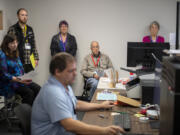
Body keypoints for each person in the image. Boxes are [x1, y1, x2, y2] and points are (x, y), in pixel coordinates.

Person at [31, 52, 124, 135]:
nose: (75, 74)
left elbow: (76, 104)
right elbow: (69, 126)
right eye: (71, 71)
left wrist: (100, 105)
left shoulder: (64, 85)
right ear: (57, 72)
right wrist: (104, 131)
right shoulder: (53, 92)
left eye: (75, 70)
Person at [0, 34, 40, 106]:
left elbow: (21, 69)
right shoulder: (2, 55)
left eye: (16, 42)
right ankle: (26, 114)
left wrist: (26, 77)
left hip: (20, 80)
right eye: (12, 43)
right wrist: (19, 80)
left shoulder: (15, 53)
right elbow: (4, 75)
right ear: (6, 44)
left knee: (38, 88)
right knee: (29, 93)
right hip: (9, 83)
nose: (15, 45)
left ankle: (35, 112)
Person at [8, 8, 39, 73]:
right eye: (22, 15)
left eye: (26, 15)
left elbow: (33, 44)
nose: (24, 17)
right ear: (18, 16)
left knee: (28, 80)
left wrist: (36, 58)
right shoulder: (13, 29)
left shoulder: (30, 29)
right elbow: (9, 46)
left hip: (29, 60)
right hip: (17, 60)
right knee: (19, 80)